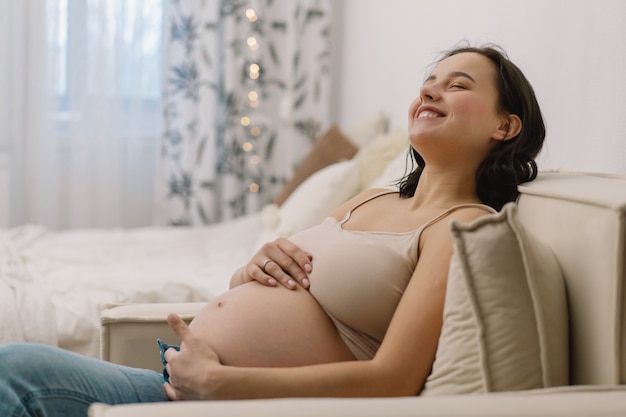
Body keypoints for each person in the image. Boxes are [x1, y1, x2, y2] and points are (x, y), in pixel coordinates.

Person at [0, 43, 545, 415]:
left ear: (505, 125)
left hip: (228, 397)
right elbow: (280, 283)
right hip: (189, 379)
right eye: (428, 82)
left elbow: (394, 379)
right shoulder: (374, 195)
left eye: (456, 85)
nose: (430, 92)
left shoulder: (464, 227)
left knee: (16, 372)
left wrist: (221, 383)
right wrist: (252, 266)